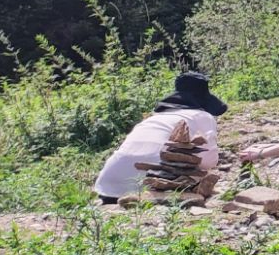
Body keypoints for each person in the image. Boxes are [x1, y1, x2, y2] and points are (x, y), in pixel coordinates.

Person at [93, 69, 228, 201]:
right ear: (204, 101)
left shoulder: (154, 118)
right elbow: (210, 160)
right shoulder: (202, 116)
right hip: (155, 184)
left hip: (108, 184)